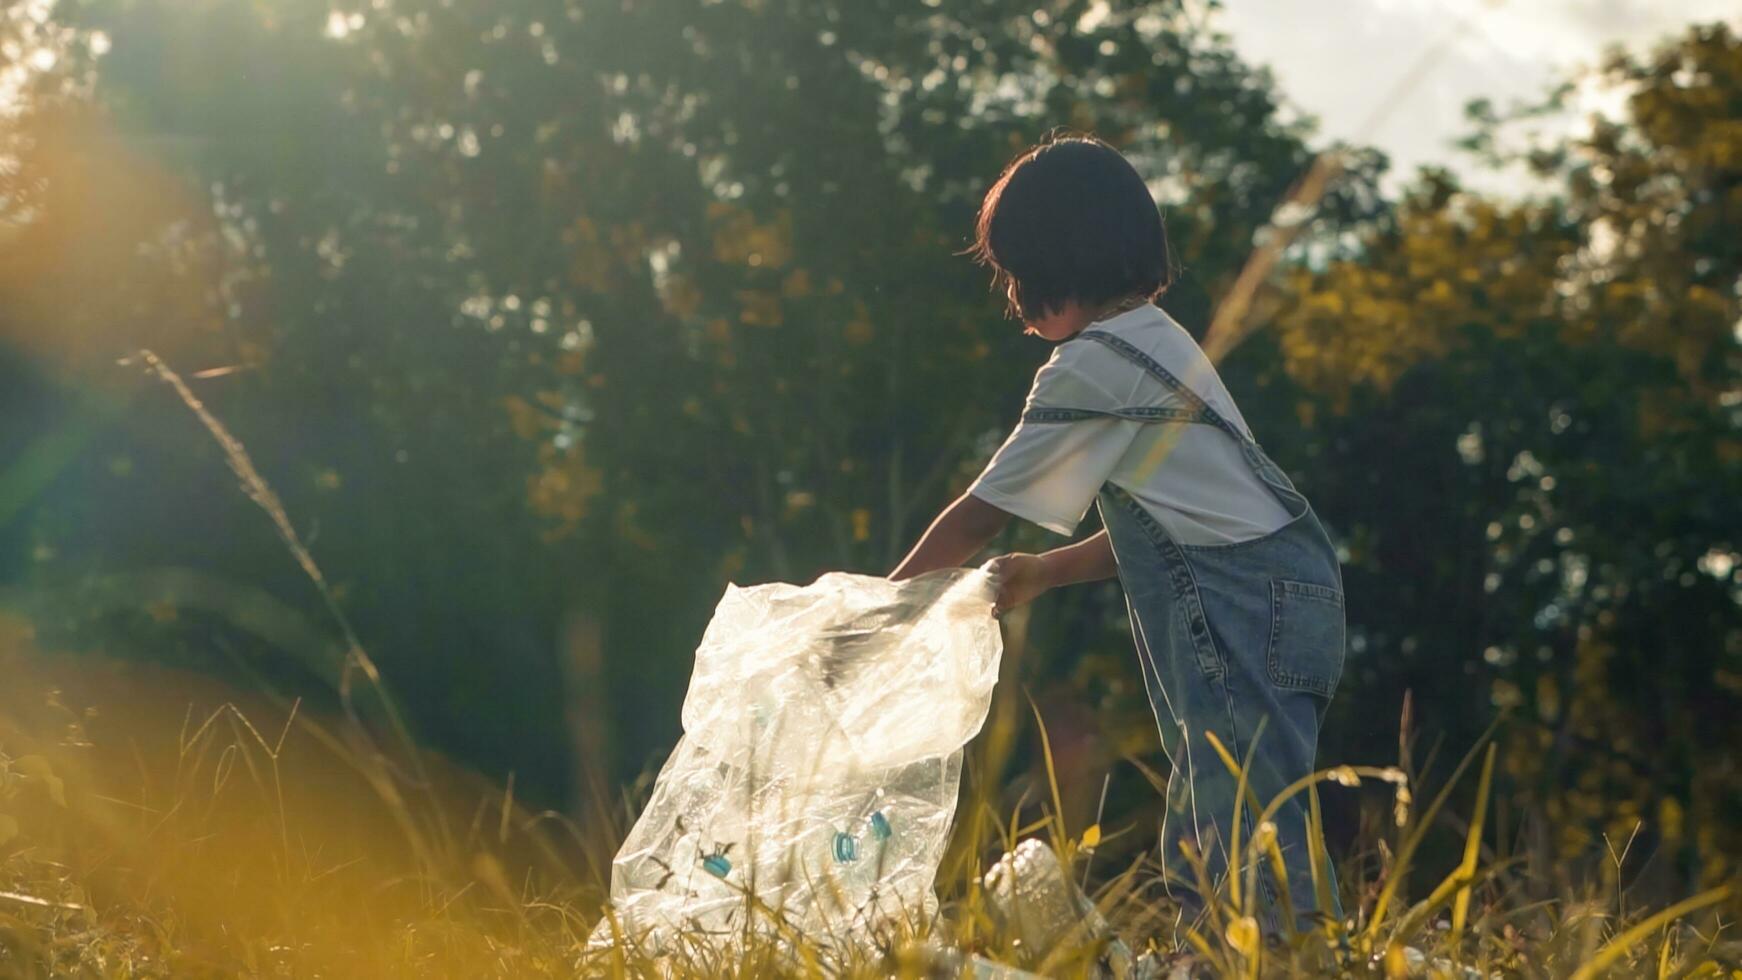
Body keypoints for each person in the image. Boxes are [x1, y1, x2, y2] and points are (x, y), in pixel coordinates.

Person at [888, 130, 1346, 936]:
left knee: (1236, 821)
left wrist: (880, 617)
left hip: (1244, 604)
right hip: (1285, 592)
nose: (1016, 299)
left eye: (1019, 275)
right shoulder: (1159, 339)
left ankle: (1260, 960)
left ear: (1061, 263)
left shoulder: (1096, 360)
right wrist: (1043, 572)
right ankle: (1276, 954)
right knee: (1243, 806)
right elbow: (1181, 526)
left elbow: (978, 510)